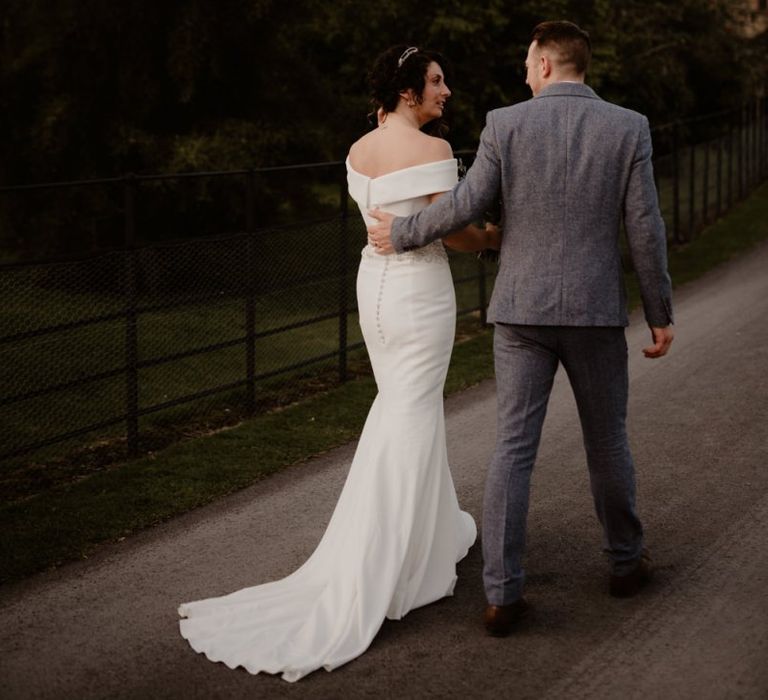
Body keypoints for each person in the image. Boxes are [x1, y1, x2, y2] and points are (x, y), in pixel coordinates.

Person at [177, 45, 500, 681]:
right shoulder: (434, 154)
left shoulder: (358, 150)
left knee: (402, 408)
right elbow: (454, 230)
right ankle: (376, 565)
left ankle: (427, 540)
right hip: (417, 295)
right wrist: (491, 238)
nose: (447, 92)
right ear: (409, 92)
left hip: (373, 292)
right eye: (437, 82)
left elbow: (382, 218)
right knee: (409, 414)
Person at [368, 21, 674, 637]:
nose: (523, 72)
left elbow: (465, 204)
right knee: (607, 441)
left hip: (520, 313)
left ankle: (503, 594)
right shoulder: (628, 127)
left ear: (544, 64)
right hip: (593, 313)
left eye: (527, 62)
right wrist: (660, 312)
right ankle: (623, 563)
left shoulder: (505, 124)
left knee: (513, 448)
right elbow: (646, 228)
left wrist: (399, 235)